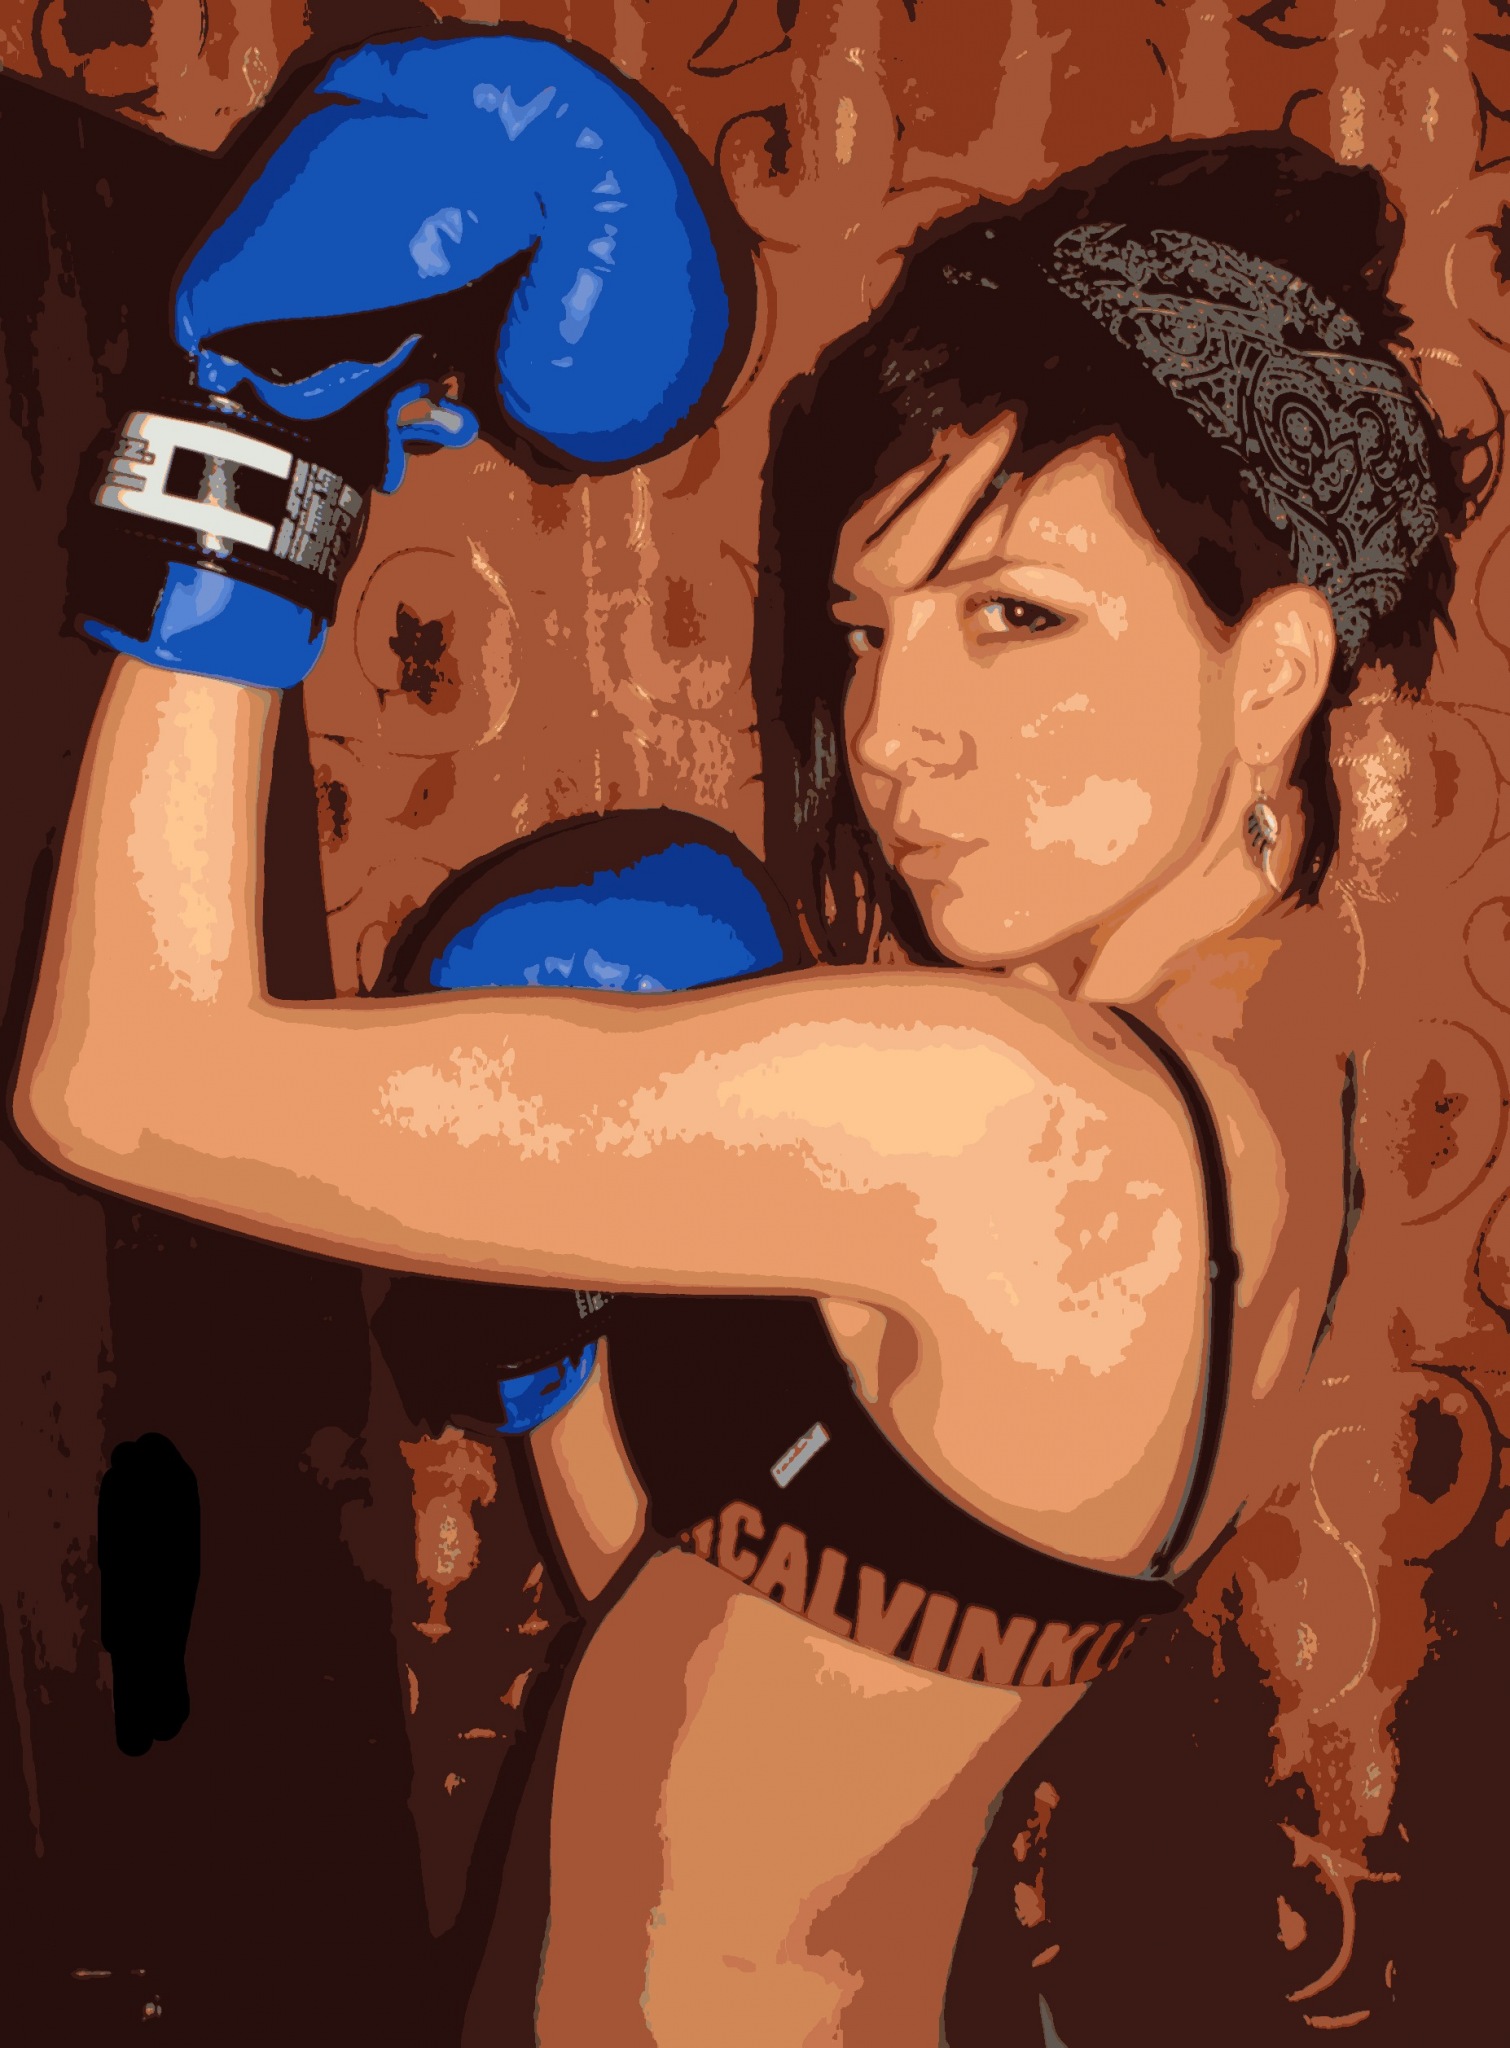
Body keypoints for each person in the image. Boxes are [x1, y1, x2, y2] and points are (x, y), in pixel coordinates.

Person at [17, 79, 1472, 2047]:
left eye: (1014, 616)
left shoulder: (1005, 1116)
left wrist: (258, 435)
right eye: (867, 632)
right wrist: (561, 1368)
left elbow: (121, 1081)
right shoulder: (1267, 1099)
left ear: (1273, 666)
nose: (889, 736)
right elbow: (759, 1626)